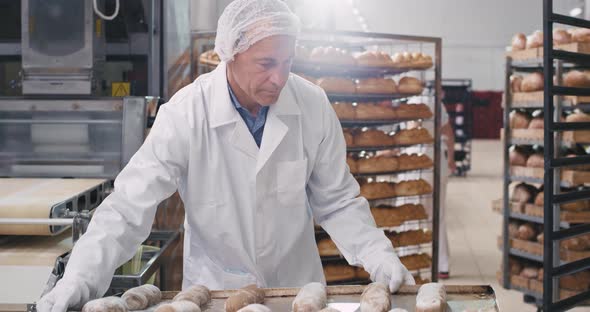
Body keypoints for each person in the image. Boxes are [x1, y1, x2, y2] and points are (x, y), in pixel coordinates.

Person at [37, 1, 413, 311]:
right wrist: (80, 279)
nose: (279, 78)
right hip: (215, 295)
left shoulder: (311, 105)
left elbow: (338, 201)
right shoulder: (186, 114)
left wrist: (378, 256)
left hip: (295, 294)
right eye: (266, 64)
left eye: (287, 62)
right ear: (228, 54)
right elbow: (128, 207)